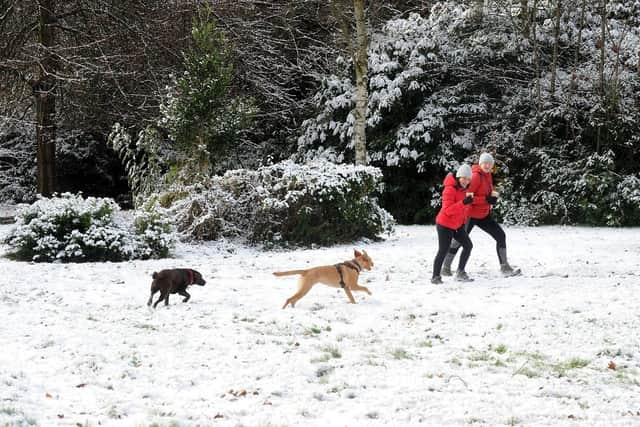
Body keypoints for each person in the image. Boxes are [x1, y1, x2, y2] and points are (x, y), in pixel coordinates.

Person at [441, 152, 520, 277]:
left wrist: (491, 199)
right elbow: (468, 197)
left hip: (483, 215)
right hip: (470, 215)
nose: (487, 165)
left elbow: (485, 194)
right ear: (480, 163)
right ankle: (445, 267)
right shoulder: (475, 176)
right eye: (484, 163)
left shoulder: (488, 175)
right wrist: (486, 199)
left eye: (489, 163)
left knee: (500, 235)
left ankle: (505, 267)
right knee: (458, 242)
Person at [431, 164, 474, 284]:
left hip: (457, 225)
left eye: (468, 178)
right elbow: (448, 210)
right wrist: (464, 202)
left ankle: (460, 272)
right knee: (443, 250)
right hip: (444, 224)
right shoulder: (449, 189)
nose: (466, 181)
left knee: (468, 245)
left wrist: (464, 218)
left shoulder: (465, 190)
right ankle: (435, 277)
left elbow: (463, 209)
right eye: (463, 178)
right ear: (458, 177)